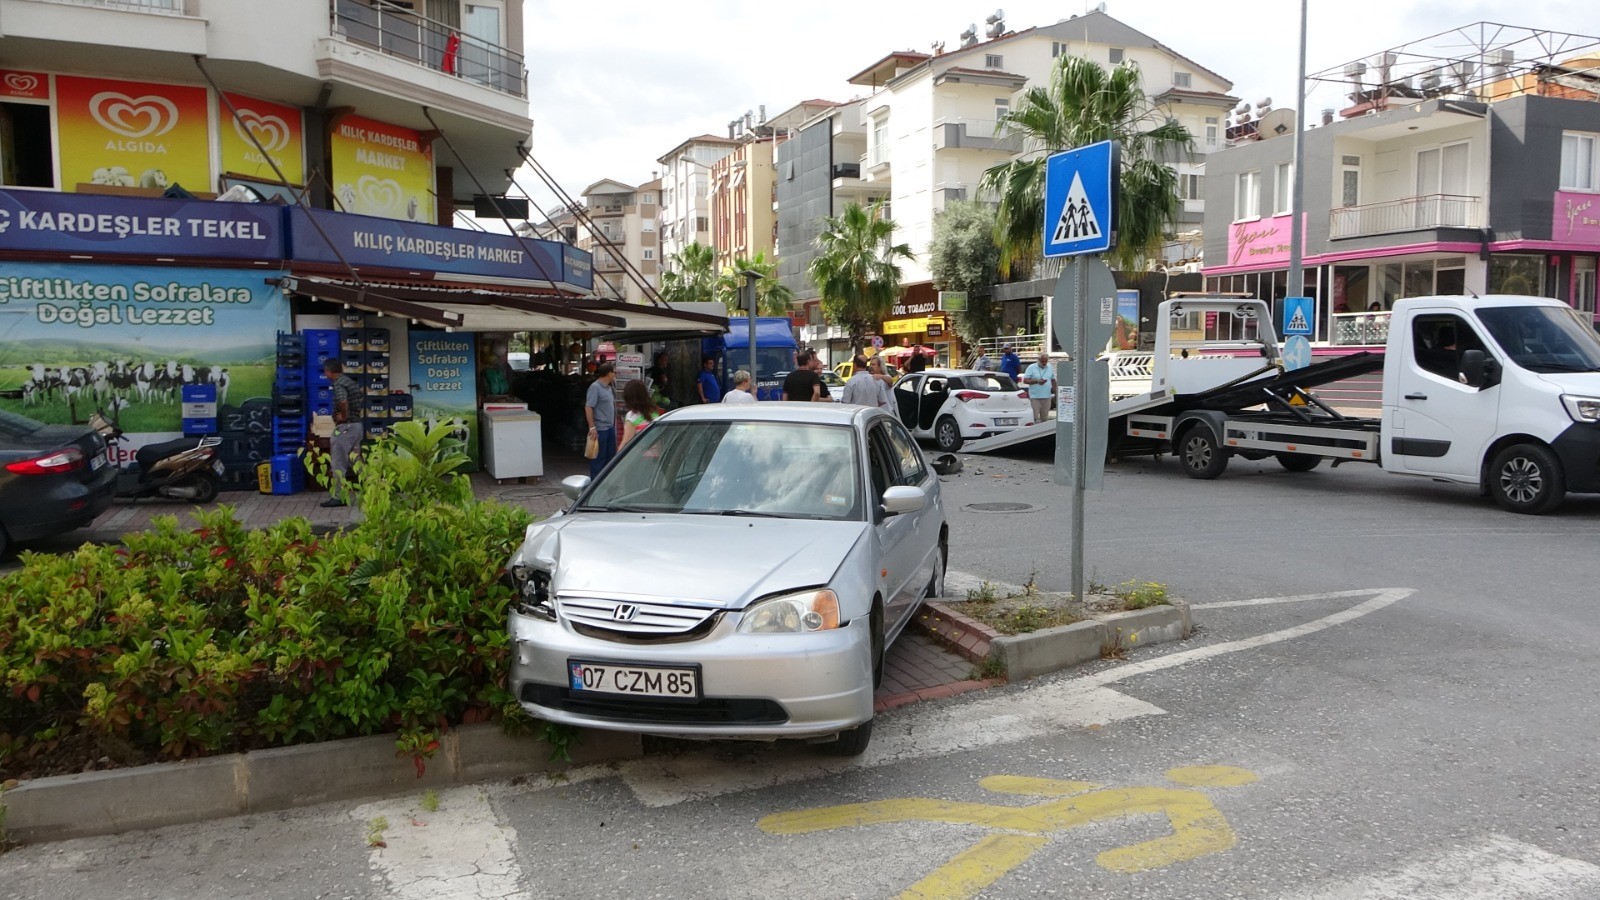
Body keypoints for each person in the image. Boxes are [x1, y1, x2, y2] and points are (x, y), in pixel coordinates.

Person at [321, 357, 365, 508]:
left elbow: (343, 401)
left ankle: (339, 496)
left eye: (325, 372)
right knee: (356, 460)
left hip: (345, 428)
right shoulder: (349, 381)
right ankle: (373, 488)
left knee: (338, 461)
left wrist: (343, 416)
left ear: (328, 371)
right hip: (356, 426)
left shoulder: (339, 384)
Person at [585, 362, 618, 477]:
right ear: (609, 373)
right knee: (598, 458)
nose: (615, 375)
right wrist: (592, 426)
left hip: (610, 427)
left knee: (610, 458)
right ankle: (595, 483)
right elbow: (589, 407)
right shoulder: (595, 387)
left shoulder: (609, 388)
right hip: (600, 429)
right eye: (614, 372)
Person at [618, 379, 660, 450]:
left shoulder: (632, 416)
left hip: (640, 456)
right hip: (656, 454)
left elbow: (626, 443)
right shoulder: (654, 412)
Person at [1022, 350, 1056, 423]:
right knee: (1034, 417)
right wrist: (1037, 381)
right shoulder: (1031, 367)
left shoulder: (1049, 366)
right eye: (1042, 361)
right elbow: (1025, 381)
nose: (1044, 363)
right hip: (1035, 397)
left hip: (1047, 396)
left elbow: (1053, 380)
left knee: (1045, 418)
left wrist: (1056, 392)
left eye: (1045, 361)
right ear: (1038, 360)